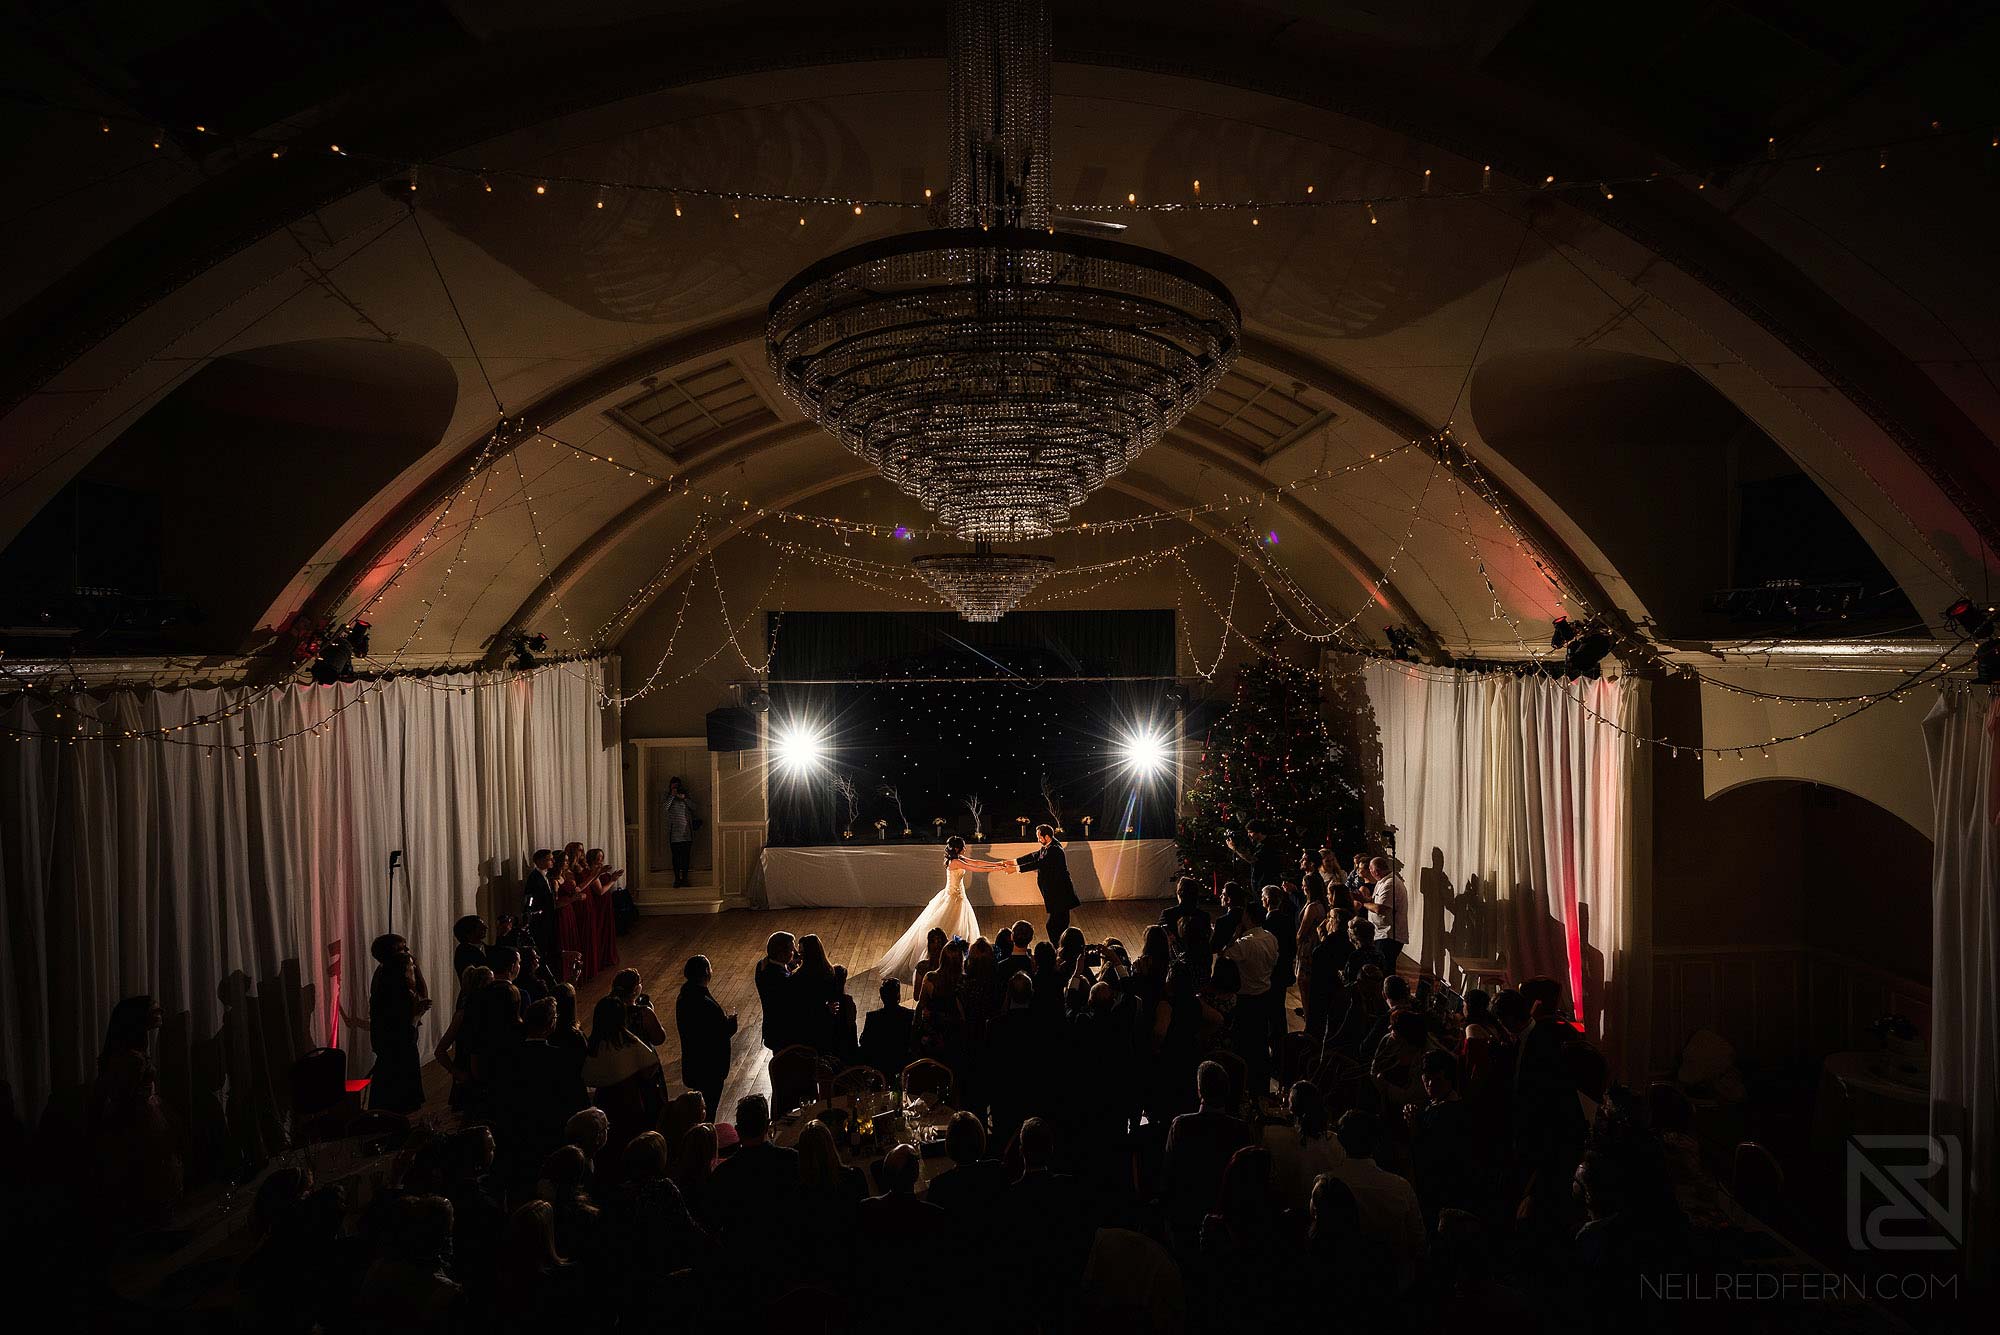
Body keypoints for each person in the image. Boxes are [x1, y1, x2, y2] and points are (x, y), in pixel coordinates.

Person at [875, 835, 1005, 981]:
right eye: (963, 846)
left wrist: (997, 864)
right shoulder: (955, 862)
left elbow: (975, 862)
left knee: (958, 927)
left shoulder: (958, 859)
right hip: (953, 898)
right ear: (957, 848)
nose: (966, 848)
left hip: (958, 897)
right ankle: (947, 958)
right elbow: (973, 867)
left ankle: (955, 957)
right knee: (951, 926)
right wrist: (996, 868)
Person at [1322, 1110, 1426, 1293]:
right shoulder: (1400, 1187)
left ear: (1341, 1140)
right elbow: (1418, 1242)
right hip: (1395, 1286)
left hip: (1344, 1285)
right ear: (1376, 1142)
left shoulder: (1325, 1183)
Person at [1161, 1060, 1251, 1250]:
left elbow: (1169, 1172)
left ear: (1200, 1091)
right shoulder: (1241, 1130)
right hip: (1225, 1223)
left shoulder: (1181, 1126)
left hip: (1185, 1219)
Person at [708, 1094, 799, 1239]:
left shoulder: (723, 1174)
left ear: (737, 1130)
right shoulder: (792, 1160)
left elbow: (714, 1222)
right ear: (768, 1124)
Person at [362, 934, 430, 1113]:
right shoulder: (391, 980)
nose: (408, 952)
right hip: (397, 1041)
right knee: (396, 1086)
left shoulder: (390, 976)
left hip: (394, 1041)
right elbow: (402, 1021)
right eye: (403, 948)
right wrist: (417, 1014)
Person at [1261, 1080, 1344, 1211]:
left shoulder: (1272, 1134)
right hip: (1321, 1211)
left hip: (1286, 1209)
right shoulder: (1334, 1142)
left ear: (1291, 1107)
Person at [675, 955, 736, 1123]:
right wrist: (730, 1025)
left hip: (694, 1061)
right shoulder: (705, 1004)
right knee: (709, 1110)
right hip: (710, 1067)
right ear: (706, 974)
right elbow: (717, 1035)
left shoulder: (684, 996)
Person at [1010, 823, 1080, 941]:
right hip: (1057, 895)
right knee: (1058, 926)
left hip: (1061, 895)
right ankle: (1060, 947)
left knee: (1053, 926)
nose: (1038, 839)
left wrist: (1016, 869)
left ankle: (1058, 948)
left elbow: (1039, 863)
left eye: (1039, 837)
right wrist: (1014, 862)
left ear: (1046, 837)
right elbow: (1034, 856)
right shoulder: (1048, 846)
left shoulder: (1055, 850)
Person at [1354, 854, 1407, 969]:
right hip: (1381, 933)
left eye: (1371, 870)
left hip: (1389, 935)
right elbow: (1374, 901)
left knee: (1384, 968)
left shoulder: (1390, 884)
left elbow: (1380, 908)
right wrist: (1362, 898)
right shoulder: (1382, 881)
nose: (1370, 873)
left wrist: (1363, 903)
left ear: (1376, 872)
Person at [858, 976, 913, 1081]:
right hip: (903, 1065)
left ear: (882, 996)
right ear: (899, 996)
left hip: (880, 1068)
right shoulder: (909, 1015)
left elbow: (865, 1042)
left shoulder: (873, 1017)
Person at [755, 932, 798, 1052]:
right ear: (781, 954)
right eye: (791, 949)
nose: (794, 952)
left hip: (771, 1028)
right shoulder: (782, 979)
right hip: (783, 1032)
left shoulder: (762, 965)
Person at [662, 776, 699, 888]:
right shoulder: (668, 796)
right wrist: (672, 796)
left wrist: (684, 798)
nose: (676, 788)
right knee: (676, 857)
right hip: (674, 834)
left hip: (686, 833)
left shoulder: (685, 796)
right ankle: (677, 879)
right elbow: (664, 808)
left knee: (686, 857)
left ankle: (685, 878)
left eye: (677, 786)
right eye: (673, 786)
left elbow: (694, 807)